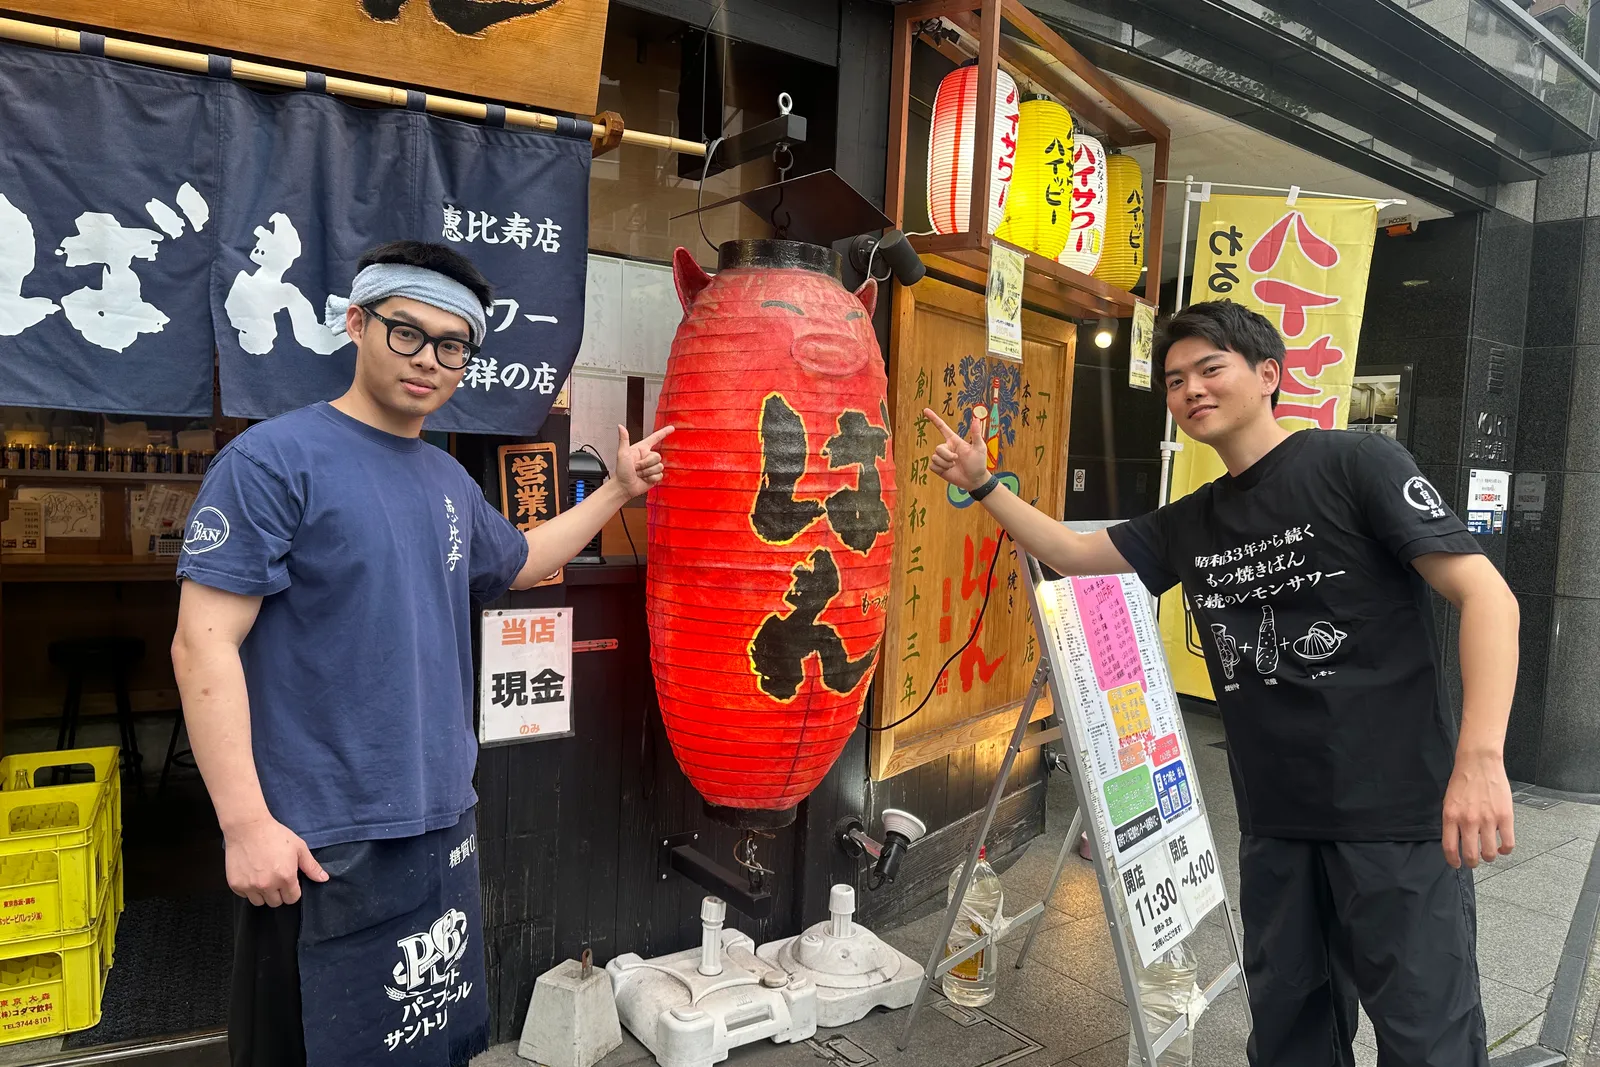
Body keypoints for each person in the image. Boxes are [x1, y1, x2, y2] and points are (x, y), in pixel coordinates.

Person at [925, 299, 1518, 1067]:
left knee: (1427, 1038)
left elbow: (1488, 597)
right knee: (1290, 1036)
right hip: (1276, 822)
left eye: (1211, 368)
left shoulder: (1354, 465)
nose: (1191, 390)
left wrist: (1479, 759)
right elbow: (1071, 553)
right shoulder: (1191, 522)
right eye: (1175, 380)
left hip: (1397, 818)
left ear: (1268, 375)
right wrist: (982, 483)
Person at [171, 240, 673, 1067]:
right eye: (408, 332)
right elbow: (202, 642)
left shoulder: (445, 485)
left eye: (453, 345)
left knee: (429, 1048)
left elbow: (520, 558)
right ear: (358, 323)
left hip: (441, 825)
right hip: (317, 842)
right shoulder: (271, 461)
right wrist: (245, 823)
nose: (429, 360)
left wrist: (618, 490)